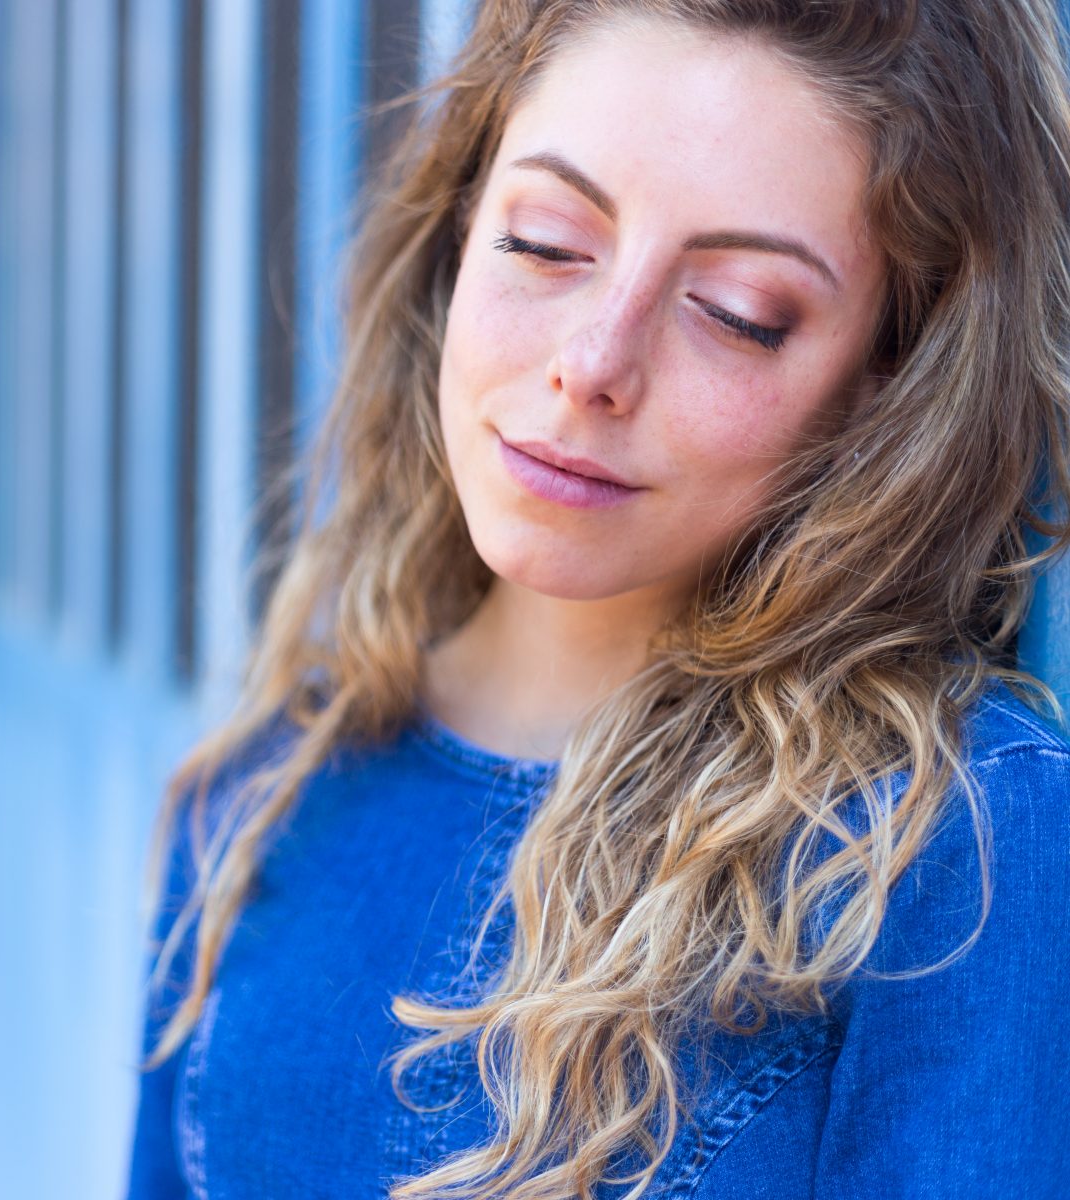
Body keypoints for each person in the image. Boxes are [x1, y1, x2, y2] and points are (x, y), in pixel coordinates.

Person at [124, 1, 1070, 1198]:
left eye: (739, 314)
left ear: (890, 378)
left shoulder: (951, 844)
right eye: (546, 241)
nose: (594, 363)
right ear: (462, 223)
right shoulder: (262, 789)